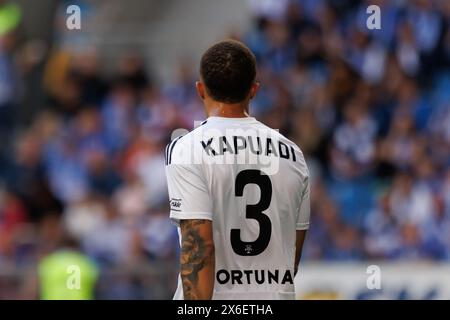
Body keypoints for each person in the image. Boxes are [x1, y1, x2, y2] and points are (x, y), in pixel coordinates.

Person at [165, 39, 310, 300]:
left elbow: (200, 248)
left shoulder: (187, 148)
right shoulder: (293, 153)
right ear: (254, 90)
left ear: (200, 89)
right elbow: (292, 255)